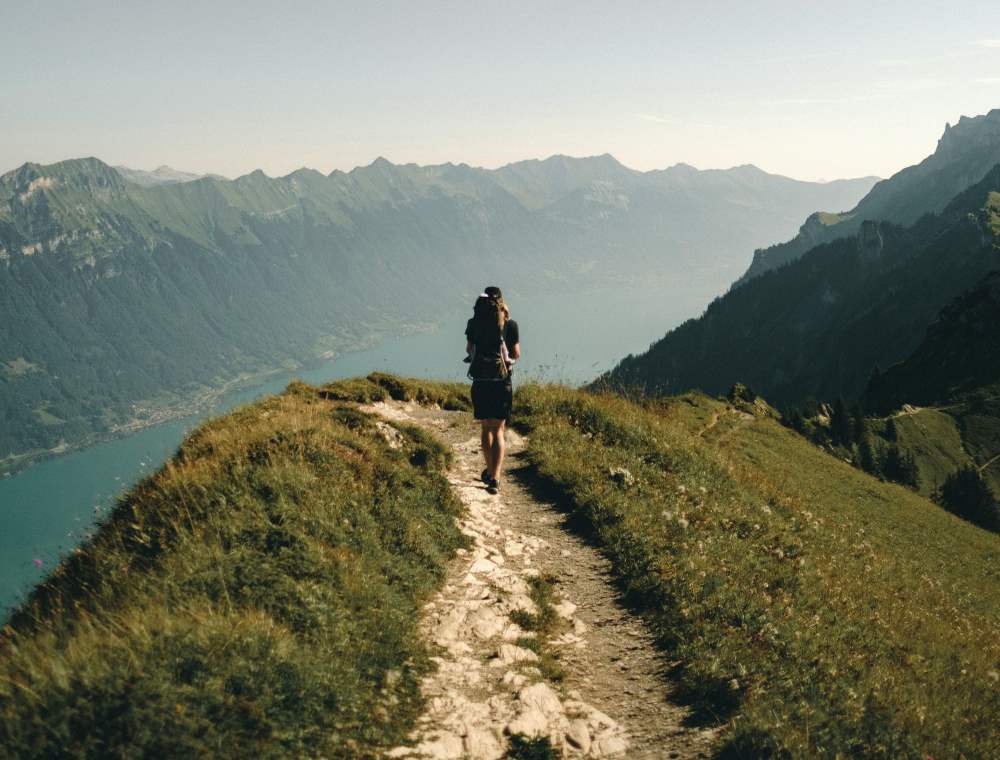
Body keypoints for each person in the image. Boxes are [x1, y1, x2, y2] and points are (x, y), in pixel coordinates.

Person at [465, 287, 520, 494]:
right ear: (501, 301)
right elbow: (516, 354)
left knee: (486, 427)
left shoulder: (473, 323)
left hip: (480, 381)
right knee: (498, 430)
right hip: (501, 382)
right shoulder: (509, 324)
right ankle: (495, 477)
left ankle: (489, 471)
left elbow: (469, 350)